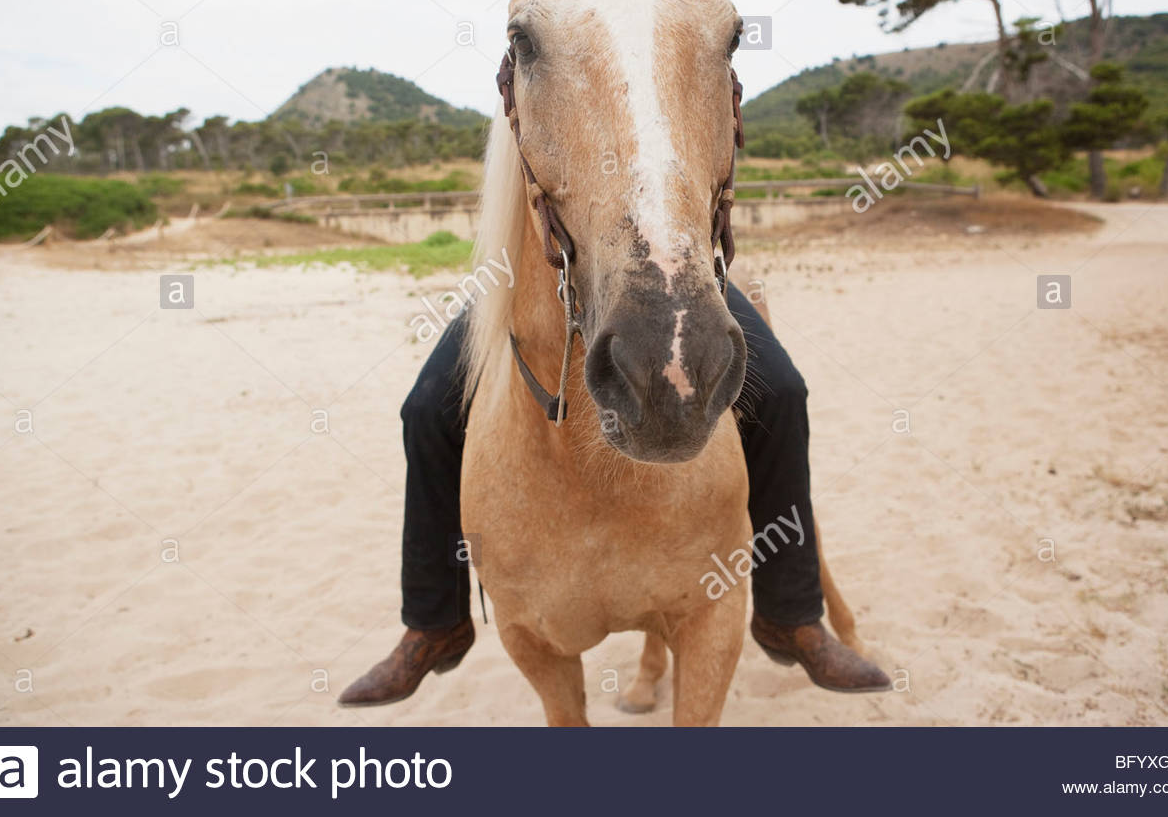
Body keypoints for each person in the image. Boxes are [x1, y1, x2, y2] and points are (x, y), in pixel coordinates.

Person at [339, 283, 890, 707]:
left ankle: (789, 614)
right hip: (536, 264)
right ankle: (435, 623)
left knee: (783, 392)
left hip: (683, 261)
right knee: (425, 410)